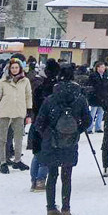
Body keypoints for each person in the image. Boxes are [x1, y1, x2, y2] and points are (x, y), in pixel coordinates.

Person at [34, 64, 91, 215]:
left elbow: (39, 122)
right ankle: (66, 210)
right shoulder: (79, 98)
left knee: (52, 175)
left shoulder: (51, 98)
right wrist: (75, 131)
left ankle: (51, 209)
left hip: (52, 142)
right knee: (67, 176)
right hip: (70, 142)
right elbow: (87, 120)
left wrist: (48, 134)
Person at [0, 56, 33, 174]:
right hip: (4, 113)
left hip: (19, 113)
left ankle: (17, 160)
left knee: (18, 138)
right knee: (2, 138)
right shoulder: (3, 81)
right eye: (12, 67)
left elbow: (28, 96)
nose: (14, 69)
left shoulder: (25, 81)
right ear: (9, 69)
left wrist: (29, 113)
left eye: (16, 67)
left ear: (20, 68)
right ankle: (3, 162)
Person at [29, 59, 61, 192]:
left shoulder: (40, 87)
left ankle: (34, 179)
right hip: (50, 125)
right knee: (47, 153)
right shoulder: (55, 89)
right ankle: (41, 180)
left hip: (37, 122)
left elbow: (34, 105)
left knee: (37, 152)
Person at [85, 62, 108, 133]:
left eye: (104, 67)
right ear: (97, 68)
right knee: (93, 113)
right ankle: (89, 128)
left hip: (103, 97)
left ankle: (98, 127)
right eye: (102, 67)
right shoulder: (93, 75)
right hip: (95, 96)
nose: (103, 69)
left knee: (101, 113)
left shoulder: (105, 75)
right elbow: (91, 85)